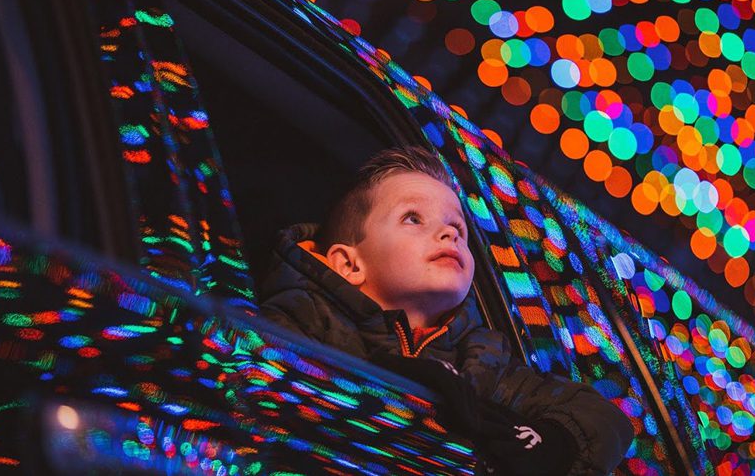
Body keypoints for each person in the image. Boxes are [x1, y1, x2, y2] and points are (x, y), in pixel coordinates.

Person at [260, 146, 633, 474]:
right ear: (349, 265)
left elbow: (604, 418)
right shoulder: (299, 320)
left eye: (457, 226)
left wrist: (546, 443)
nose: (450, 233)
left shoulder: (482, 362)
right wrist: (380, 382)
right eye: (413, 218)